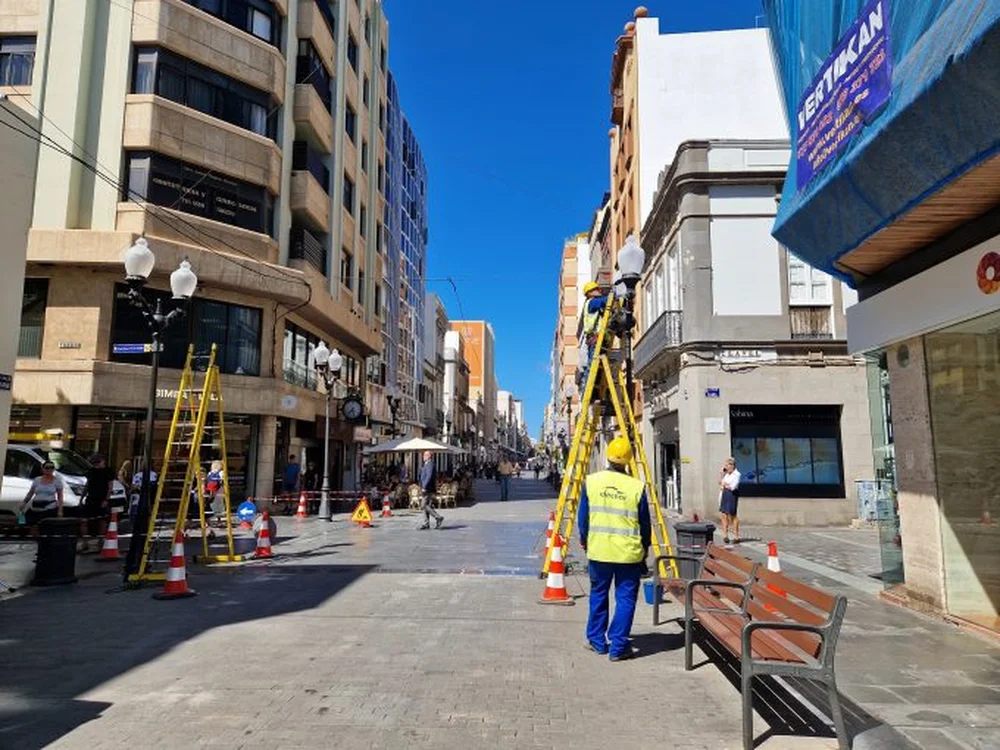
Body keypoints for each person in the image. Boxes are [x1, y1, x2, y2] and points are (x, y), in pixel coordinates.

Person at [578, 437, 650, 661]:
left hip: (599, 551)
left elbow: (583, 518)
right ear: (628, 460)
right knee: (626, 599)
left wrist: (584, 539)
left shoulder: (592, 482)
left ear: (608, 457)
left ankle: (597, 641)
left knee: (598, 595)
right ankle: (618, 647)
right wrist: (644, 549)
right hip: (628, 554)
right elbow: (645, 524)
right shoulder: (636, 486)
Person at [80, 454, 114, 552]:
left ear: (103, 461)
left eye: (98, 462)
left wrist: (106, 499)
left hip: (101, 498)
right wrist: (82, 498)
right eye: (95, 462)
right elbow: (87, 484)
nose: (97, 464)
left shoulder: (108, 471)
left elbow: (110, 487)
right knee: (84, 520)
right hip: (91, 498)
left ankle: (101, 541)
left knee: (101, 521)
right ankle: (85, 542)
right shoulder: (91, 471)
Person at [19, 460, 65, 527]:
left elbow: (60, 497)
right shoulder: (37, 479)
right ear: (43, 469)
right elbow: (30, 493)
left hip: (49, 507)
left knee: (43, 525)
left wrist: (60, 511)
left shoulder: (57, 481)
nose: (49, 469)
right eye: (47, 467)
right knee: (22, 521)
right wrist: (24, 503)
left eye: (52, 467)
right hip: (35, 507)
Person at [418, 450, 443, 530]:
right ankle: (426, 523)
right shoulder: (426, 464)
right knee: (426, 505)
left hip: (428, 488)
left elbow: (429, 476)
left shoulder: (430, 464)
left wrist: (424, 486)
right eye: (423, 455)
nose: (423, 456)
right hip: (427, 488)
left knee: (423, 505)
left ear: (429, 456)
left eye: (425, 455)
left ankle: (438, 517)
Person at [719, 457, 742, 545]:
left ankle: (736, 536)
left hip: (731, 495)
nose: (726, 467)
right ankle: (725, 535)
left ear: (732, 465)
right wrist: (721, 475)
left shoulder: (736, 474)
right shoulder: (726, 474)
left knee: (732, 515)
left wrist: (724, 485)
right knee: (724, 515)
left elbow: (733, 486)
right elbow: (720, 483)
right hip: (724, 494)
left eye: (727, 465)